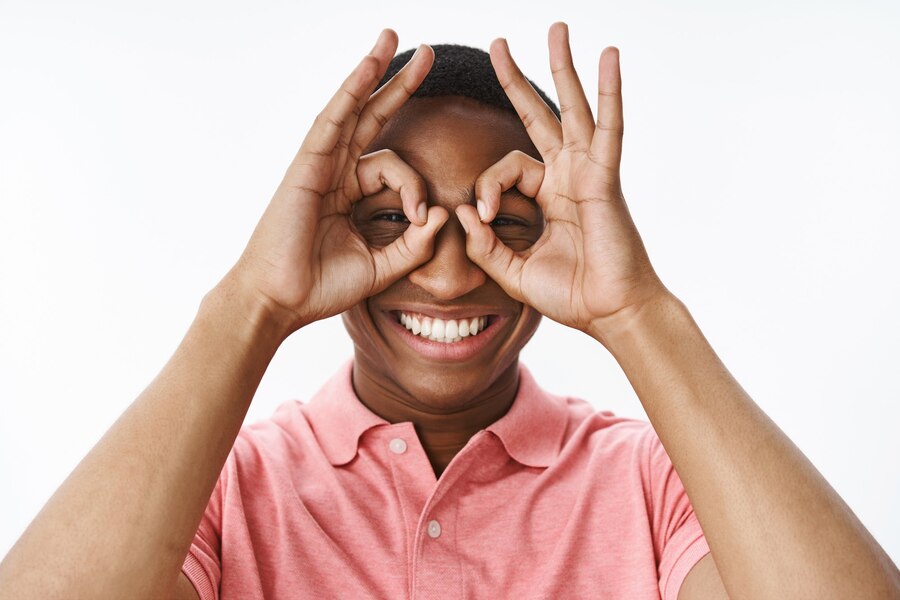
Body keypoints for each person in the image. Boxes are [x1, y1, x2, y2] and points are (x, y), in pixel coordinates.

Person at [0, 22, 897, 600]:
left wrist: (636, 311)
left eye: (507, 226)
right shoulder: (221, 484)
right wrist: (253, 302)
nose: (449, 273)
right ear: (327, 226)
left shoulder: (652, 482)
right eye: (392, 221)